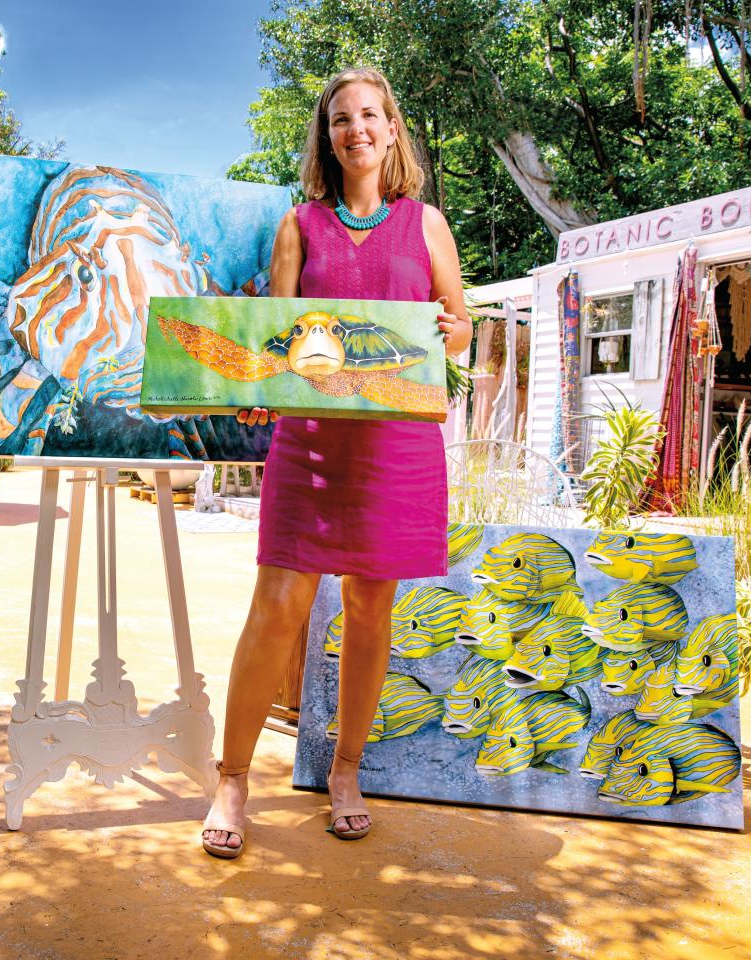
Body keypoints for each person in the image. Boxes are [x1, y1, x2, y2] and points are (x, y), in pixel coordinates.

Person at [200, 67, 472, 859]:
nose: (357, 129)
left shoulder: (427, 226)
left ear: (392, 130)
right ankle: (233, 779)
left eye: (370, 115)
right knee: (278, 604)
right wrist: (260, 390)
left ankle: (346, 772)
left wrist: (449, 331)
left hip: (397, 447)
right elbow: (280, 341)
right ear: (328, 137)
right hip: (312, 442)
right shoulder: (299, 226)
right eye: (341, 119)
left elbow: (458, 330)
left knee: (371, 610)